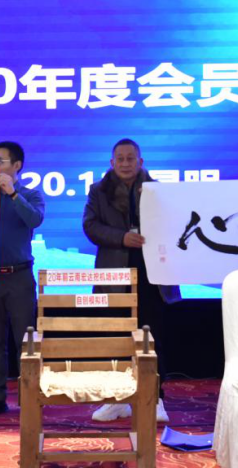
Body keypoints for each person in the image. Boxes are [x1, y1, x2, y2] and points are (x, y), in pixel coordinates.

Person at [82, 138, 176, 423]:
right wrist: (121, 238)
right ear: (112, 163)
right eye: (120, 159)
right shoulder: (98, 191)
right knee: (116, 339)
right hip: (114, 274)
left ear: (140, 161)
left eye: (130, 158)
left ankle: (155, 398)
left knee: (151, 338)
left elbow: (175, 224)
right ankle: (118, 400)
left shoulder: (157, 190)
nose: (125, 163)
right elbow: (90, 226)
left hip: (153, 277)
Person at [0, 141, 45, 417]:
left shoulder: (30, 195)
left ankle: (29, 396)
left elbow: (35, 220)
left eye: (0, 161)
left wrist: (13, 194)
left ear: (17, 166)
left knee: (25, 341)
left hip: (19, 277)